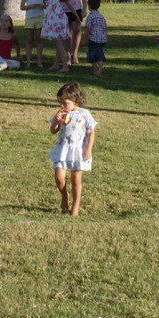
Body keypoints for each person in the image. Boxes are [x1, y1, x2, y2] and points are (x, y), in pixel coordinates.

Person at [48, 81, 98, 217]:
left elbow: (91, 132)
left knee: (76, 179)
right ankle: (64, 196)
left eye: (65, 103)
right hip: (63, 149)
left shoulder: (85, 114)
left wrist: (88, 149)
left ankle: (75, 207)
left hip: (78, 151)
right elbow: (53, 130)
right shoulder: (62, 113)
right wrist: (57, 123)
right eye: (60, 103)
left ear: (76, 100)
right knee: (59, 178)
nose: (62, 106)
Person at [41, 0, 72, 72]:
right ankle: (56, 64)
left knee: (59, 43)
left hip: (55, 20)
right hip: (61, 19)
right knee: (59, 43)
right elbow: (70, 6)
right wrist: (77, 16)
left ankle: (65, 66)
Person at [20, 0, 48, 69]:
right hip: (29, 18)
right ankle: (28, 61)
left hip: (40, 18)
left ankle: (39, 61)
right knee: (29, 40)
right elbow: (22, 7)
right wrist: (31, 6)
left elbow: (48, 5)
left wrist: (42, 5)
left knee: (39, 40)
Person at [83, 0, 108, 77]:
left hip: (93, 39)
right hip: (102, 39)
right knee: (99, 53)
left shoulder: (90, 17)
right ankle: (100, 67)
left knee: (91, 54)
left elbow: (88, 29)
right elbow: (105, 28)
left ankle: (96, 68)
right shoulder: (101, 17)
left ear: (89, 6)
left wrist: (85, 39)